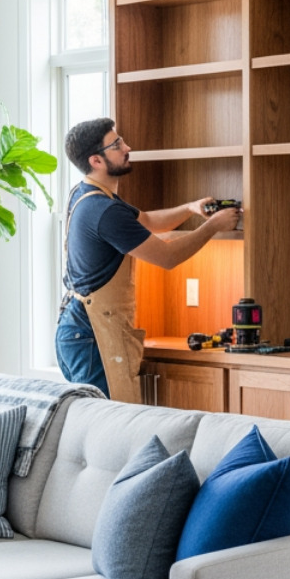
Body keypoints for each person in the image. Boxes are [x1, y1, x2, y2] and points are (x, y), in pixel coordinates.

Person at [56, 118, 242, 400]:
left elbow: (147, 220)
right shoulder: (104, 210)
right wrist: (213, 226)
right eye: (116, 145)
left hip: (79, 328)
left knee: (104, 421)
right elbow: (167, 257)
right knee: (110, 425)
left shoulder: (88, 194)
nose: (127, 147)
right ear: (96, 160)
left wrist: (191, 209)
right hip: (92, 334)